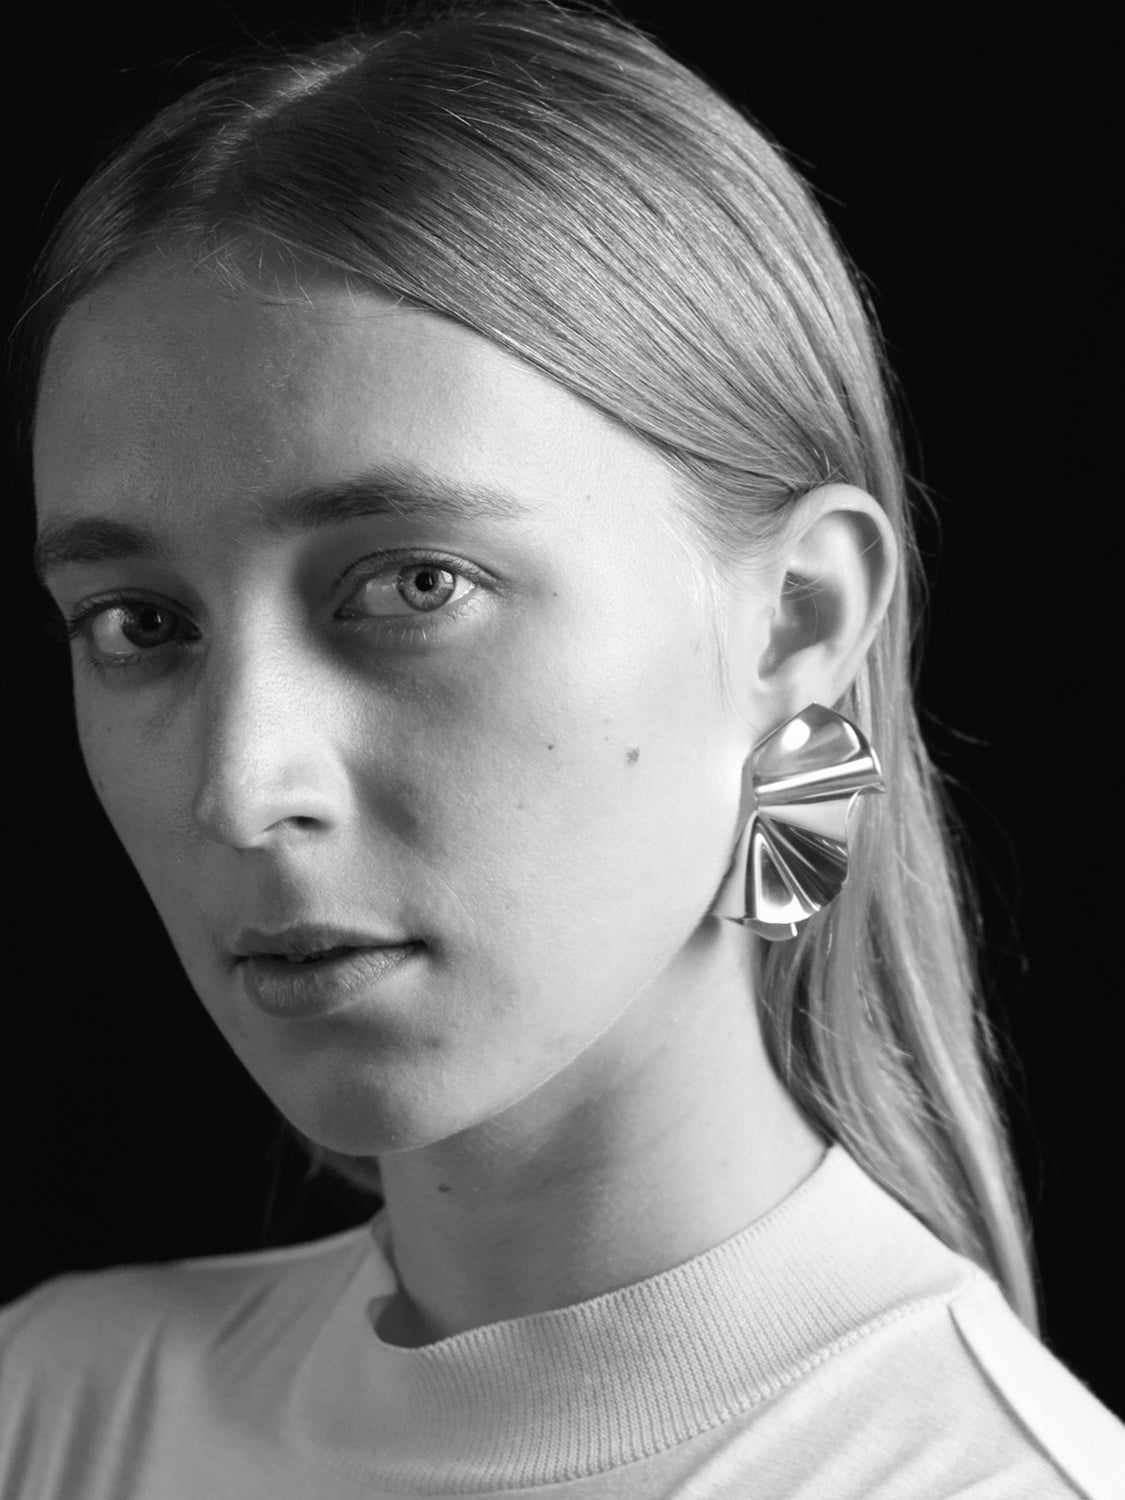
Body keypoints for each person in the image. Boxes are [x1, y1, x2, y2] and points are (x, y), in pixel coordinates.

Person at [3, 1, 1121, 1494]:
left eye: (413, 584)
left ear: (795, 622)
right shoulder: (50, 1409)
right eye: (139, 624)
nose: (238, 786)